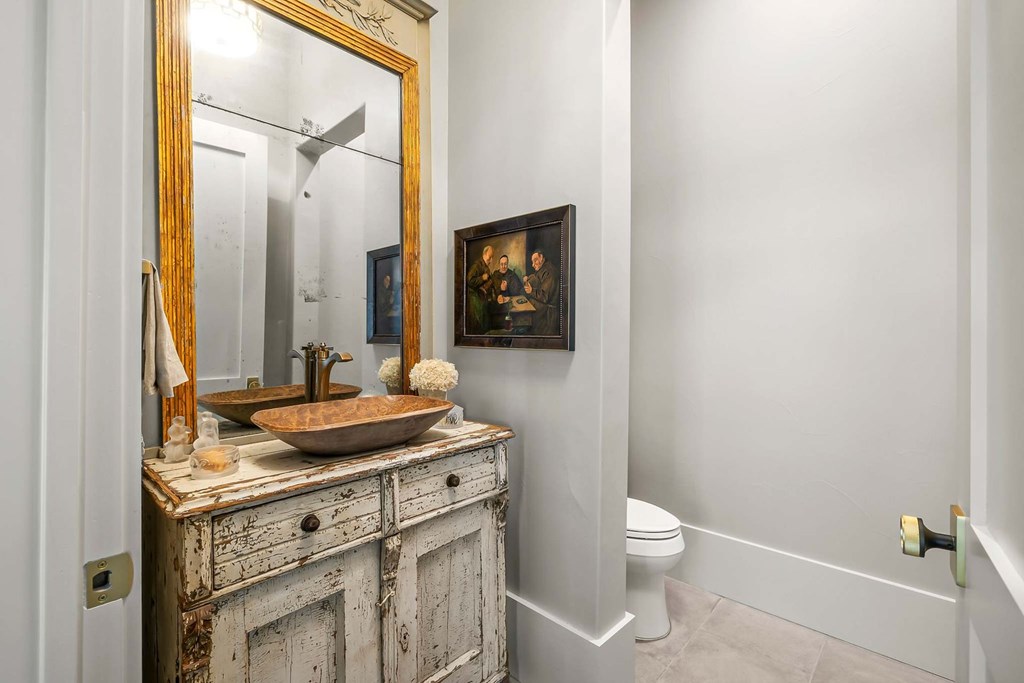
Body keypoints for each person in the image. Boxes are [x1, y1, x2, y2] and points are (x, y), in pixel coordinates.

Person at [523, 249, 559, 335]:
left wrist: (531, 291)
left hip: (548, 316)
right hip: (542, 312)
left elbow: (544, 296)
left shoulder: (549, 271)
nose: (533, 264)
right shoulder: (542, 269)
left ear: (541, 257)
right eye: (532, 262)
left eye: (535, 260)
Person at [466, 245, 495, 333]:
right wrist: (482, 278)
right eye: (490, 257)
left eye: (492, 257)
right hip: (474, 297)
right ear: (485, 254)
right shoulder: (476, 265)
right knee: (480, 321)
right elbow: (469, 281)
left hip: (482, 297)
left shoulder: (486, 268)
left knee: (486, 318)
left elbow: (488, 282)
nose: (491, 260)